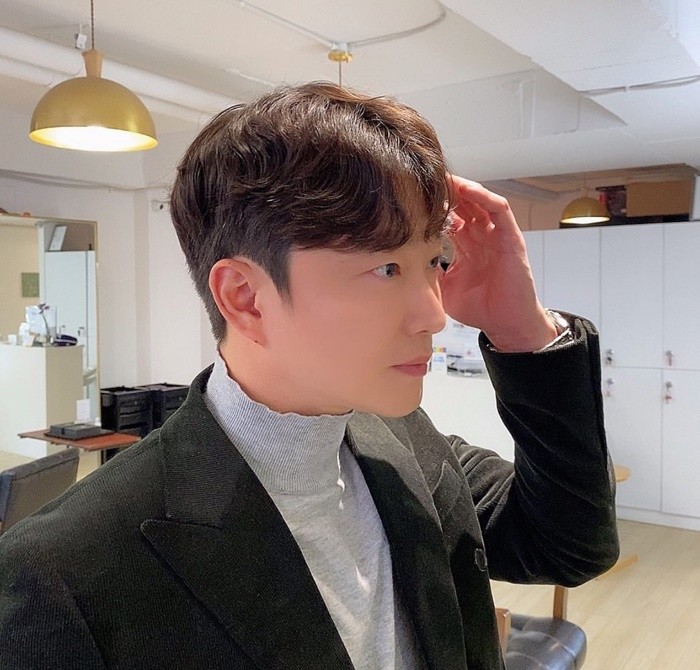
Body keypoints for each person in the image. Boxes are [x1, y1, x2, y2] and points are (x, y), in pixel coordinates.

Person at [0, 82, 618, 670]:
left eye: (435, 260)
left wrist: (521, 327)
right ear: (245, 297)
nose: (435, 314)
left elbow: (570, 542)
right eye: (386, 269)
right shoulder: (64, 571)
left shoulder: (409, 447)